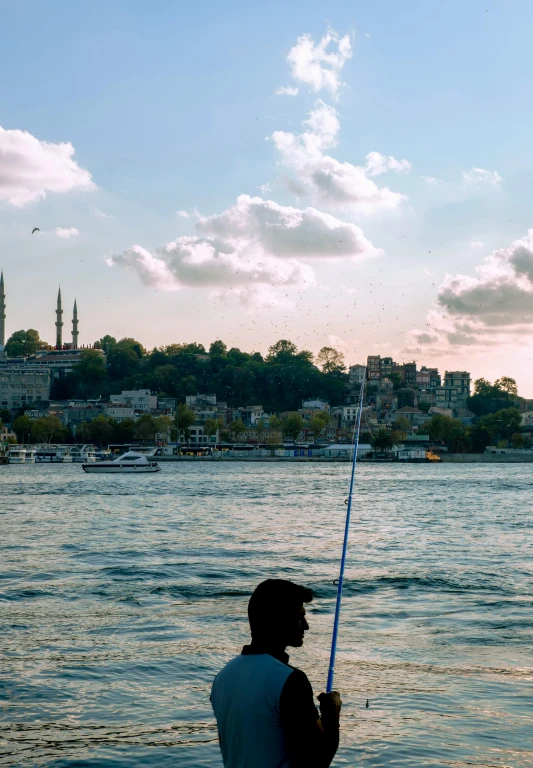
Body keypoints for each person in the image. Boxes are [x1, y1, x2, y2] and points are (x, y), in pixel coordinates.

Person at [211, 579, 342, 768]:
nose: (305, 626)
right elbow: (317, 760)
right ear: (278, 619)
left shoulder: (223, 677)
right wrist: (332, 715)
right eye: (299, 616)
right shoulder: (291, 680)